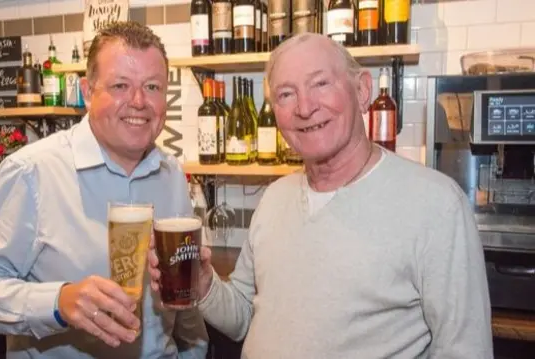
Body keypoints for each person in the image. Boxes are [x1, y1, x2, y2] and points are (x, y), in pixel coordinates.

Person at [149, 32, 493, 358]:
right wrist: (205, 283)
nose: (304, 107)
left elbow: (465, 349)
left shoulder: (435, 204)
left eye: (321, 84)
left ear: (362, 91)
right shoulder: (274, 198)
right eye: (286, 94)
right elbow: (242, 316)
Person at [0, 21, 208, 359]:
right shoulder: (31, 173)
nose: (138, 101)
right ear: (88, 92)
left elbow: (183, 303)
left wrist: (195, 352)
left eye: (152, 86)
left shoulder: (171, 172)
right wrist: (59, 302)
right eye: (120, 85)